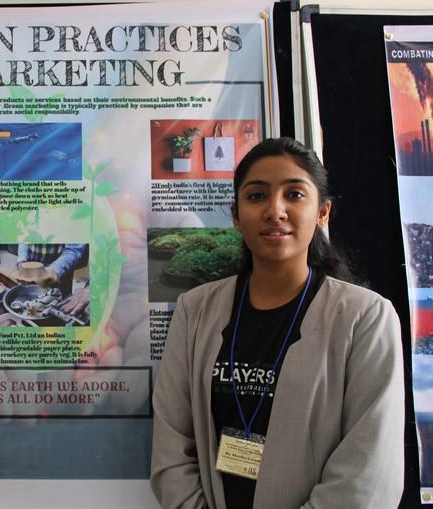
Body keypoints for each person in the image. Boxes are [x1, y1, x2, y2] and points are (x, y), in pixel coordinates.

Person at [150, 138, 404, 508]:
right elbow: (172, 445)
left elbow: (368, 472)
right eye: (256, 196)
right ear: (236, 215)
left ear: (323, 212)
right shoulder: (195, 311)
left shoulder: (365, 318)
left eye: (294, 195)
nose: (275, 210)